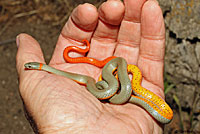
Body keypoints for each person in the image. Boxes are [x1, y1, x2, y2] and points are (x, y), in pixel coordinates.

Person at [16, 0, 166, 133]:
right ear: (39, 66)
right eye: (30, 66)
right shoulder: (97, 83)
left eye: (30, 66)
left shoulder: (115, 70)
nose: (28, 67)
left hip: (114, 80)